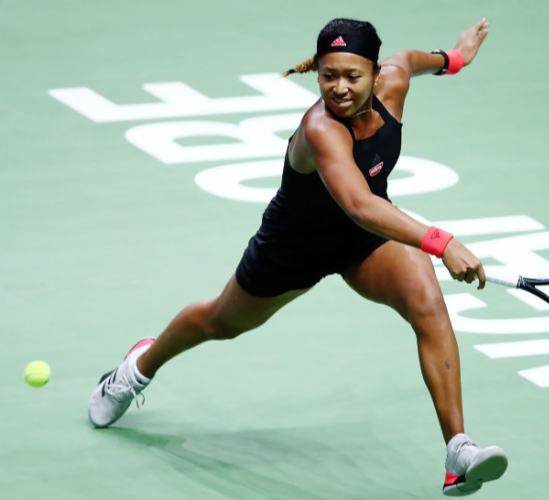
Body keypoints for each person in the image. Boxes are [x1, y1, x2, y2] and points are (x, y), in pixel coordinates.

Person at [87, 18, 508, 496]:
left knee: (428, 306)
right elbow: (359, 204)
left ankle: (458, 449)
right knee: (218, 322)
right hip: (294, 248)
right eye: (329, 76)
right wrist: (441, 242)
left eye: (353, 75)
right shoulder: (320, 129)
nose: (340, 88)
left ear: (375, 71)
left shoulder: (397, 78)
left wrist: (453, 59)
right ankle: (135, 371)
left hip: (364, 241)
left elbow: (413, 59)